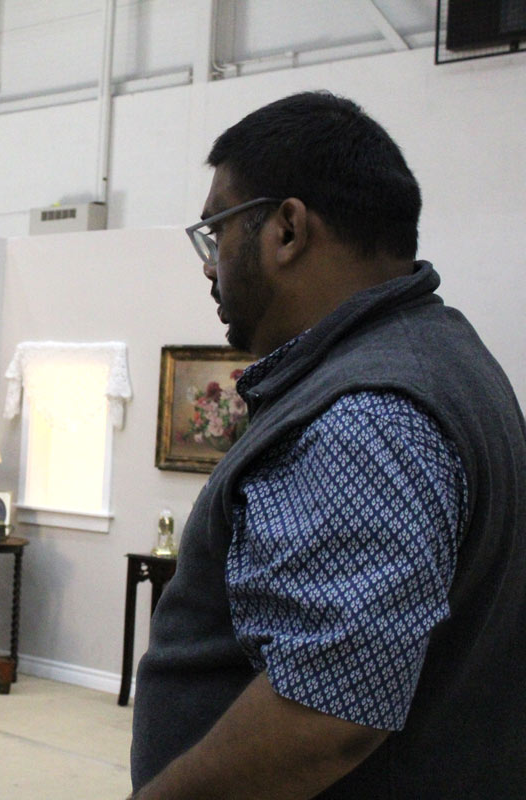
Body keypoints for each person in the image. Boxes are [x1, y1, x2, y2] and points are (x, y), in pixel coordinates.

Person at [130, 91, 526, 799]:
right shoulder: (440, 358)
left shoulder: (365, 415)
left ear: (286, 229)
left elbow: (323, 718)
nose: (208, 264)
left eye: (215, 230)